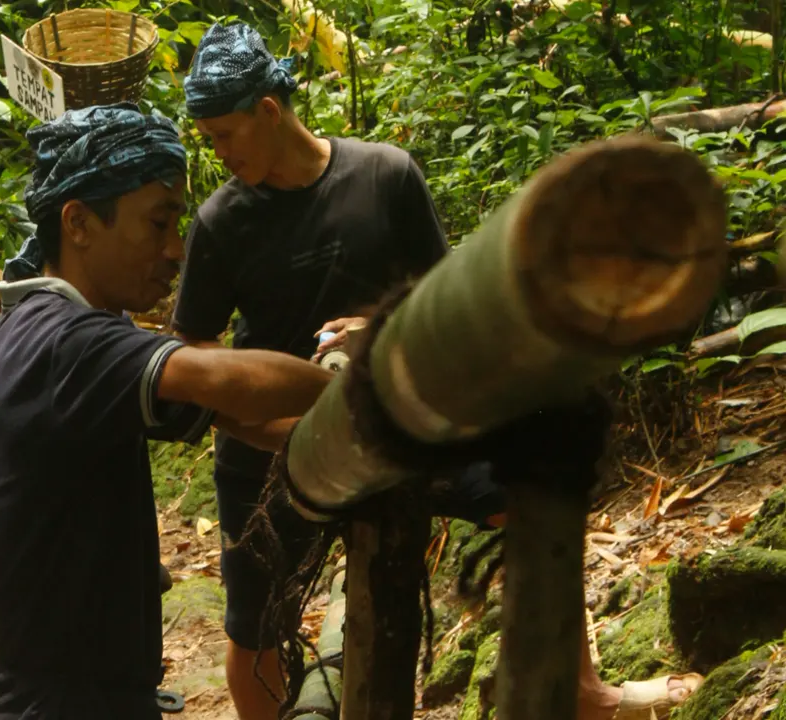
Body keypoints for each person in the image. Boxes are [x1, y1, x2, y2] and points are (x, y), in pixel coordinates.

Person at [176, 22, 702, 720]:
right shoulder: (220, 221)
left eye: (223, 135)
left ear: (268, 111)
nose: (217, 153)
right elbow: (195, 351)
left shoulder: (383, 176)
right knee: (255, 625)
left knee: (531, 494)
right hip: (274, 443)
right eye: (209, 139)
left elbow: (442, 299)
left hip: (404, 417)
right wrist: (258, 425)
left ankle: (581, 691)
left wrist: (376, 330)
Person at [0, 103, 333, 720]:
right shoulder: (62, 340)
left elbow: (241, 418)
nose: (175, 250)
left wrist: (357, 437)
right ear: (79, 223)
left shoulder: (70, 332)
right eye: (159, 223)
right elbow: (221, 380)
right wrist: (367, 382)